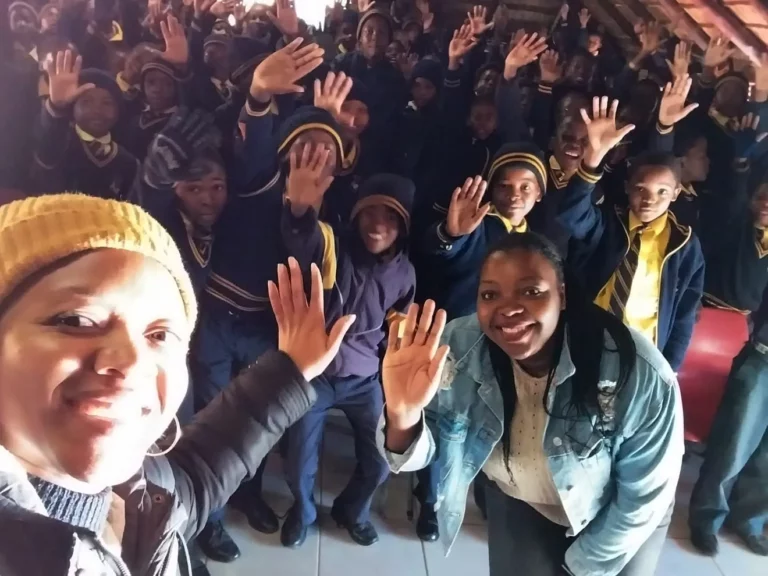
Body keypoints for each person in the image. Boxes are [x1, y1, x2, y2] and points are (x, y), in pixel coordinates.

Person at [0, 193, 356, 575]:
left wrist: (291, 369)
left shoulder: (136, 493)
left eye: (159, 335)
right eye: (76, 320)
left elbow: (194, 476)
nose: (134, 361)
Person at [379, 231, 684, 576]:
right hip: (520, 496)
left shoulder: (637, 374)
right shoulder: (456, 350)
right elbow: (417, 454)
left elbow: (642, 500)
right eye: (490, 294)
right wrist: (401, 414)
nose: (508, 308)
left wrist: (576, 569)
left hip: (620, 512)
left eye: (531, 291)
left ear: (563, 296)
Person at [281, 145, 416, 549]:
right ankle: (302, 512)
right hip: (317, 376)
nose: (378, 225)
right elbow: (302, 240)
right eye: (370, 213)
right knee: (298, 461)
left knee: (380, 462)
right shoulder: (332, 245)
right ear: (355, 215)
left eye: (390, 217)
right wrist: (300, 210)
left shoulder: (405, 273)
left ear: (403, 226)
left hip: (365, 380)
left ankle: (351, 511)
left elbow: (399, 331)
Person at [558, 96, 705, 372]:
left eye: (662, 191)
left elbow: (685, 313)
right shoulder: (608, 224)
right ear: (626, 188)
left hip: (643, 351)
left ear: (676, 193)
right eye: (641, 189)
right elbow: (571, 216)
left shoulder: (684, 244)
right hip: (587, 338)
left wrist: (669, 367)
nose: (650, 199)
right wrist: (592, 160)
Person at [32, 50, 141, 202]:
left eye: (107, 103)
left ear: (118, 111)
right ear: (72, 107)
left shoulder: (128, 162)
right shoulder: (61, 144)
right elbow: (48, 145)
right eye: (86, 102)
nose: (97, 110)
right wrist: (56, 108)